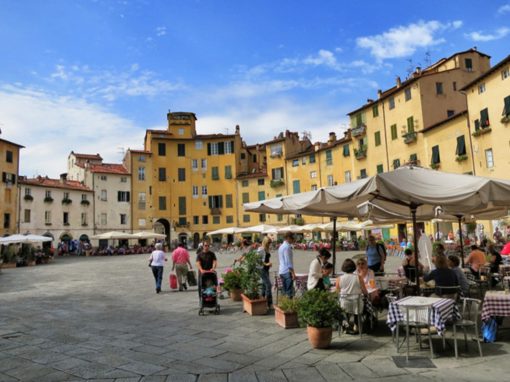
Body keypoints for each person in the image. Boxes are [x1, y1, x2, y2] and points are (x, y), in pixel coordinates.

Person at [336, 259, 368, 334]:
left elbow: (337, 292)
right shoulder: (359, 277)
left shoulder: (339, 279)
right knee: (359, 307)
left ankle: (345, 326)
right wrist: (366, 295)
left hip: (344, 302)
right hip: (356, 302)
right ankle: (356, 325)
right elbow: (364, 291)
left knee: (343, 307)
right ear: (354, 267)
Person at [278, 232, 296, 298]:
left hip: (281, 270)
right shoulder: (287, 247)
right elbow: (288, 262)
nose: (294, 240)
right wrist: (293, 273)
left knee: (284, 291)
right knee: (289, 292)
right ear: (288, 238)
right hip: (287, 271)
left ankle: (283, 305)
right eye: (292, 238)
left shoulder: (281, 246)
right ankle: (288, 307)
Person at [257, 236, 273, 308]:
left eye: (270, 243)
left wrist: (269, 263)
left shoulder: (266, 249)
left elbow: (266, 258)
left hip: (266, 269)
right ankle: (268, 303)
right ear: (265, 242)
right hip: (262, 269)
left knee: (264, 286)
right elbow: (258, 260)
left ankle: (262, 301)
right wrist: (266, 264)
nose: (269, 244)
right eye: (269, 243)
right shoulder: (261, 249)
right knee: (268, 285)